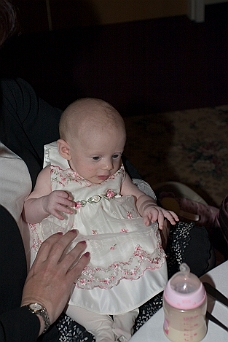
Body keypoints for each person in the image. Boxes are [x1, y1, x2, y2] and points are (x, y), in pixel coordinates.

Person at [23, 98, 179, 342]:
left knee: (133, 278)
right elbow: (28, 211)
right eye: (96, 158)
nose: (108, 166)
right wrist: (44, 204)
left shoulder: (117, 172)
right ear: (66, 151)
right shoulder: (53, 175)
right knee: (68, 291)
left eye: (116, 154)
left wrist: (149, 206)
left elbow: (137, 195)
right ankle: (101, 328)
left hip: (117, 240)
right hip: (76, 246)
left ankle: (125, 323)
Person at [0, 1, 91, 341]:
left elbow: (90, 138)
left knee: (189, 244)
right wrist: (37, 310)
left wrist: (140, 200)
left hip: (80, 260)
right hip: (27, 321)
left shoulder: (9, 95)